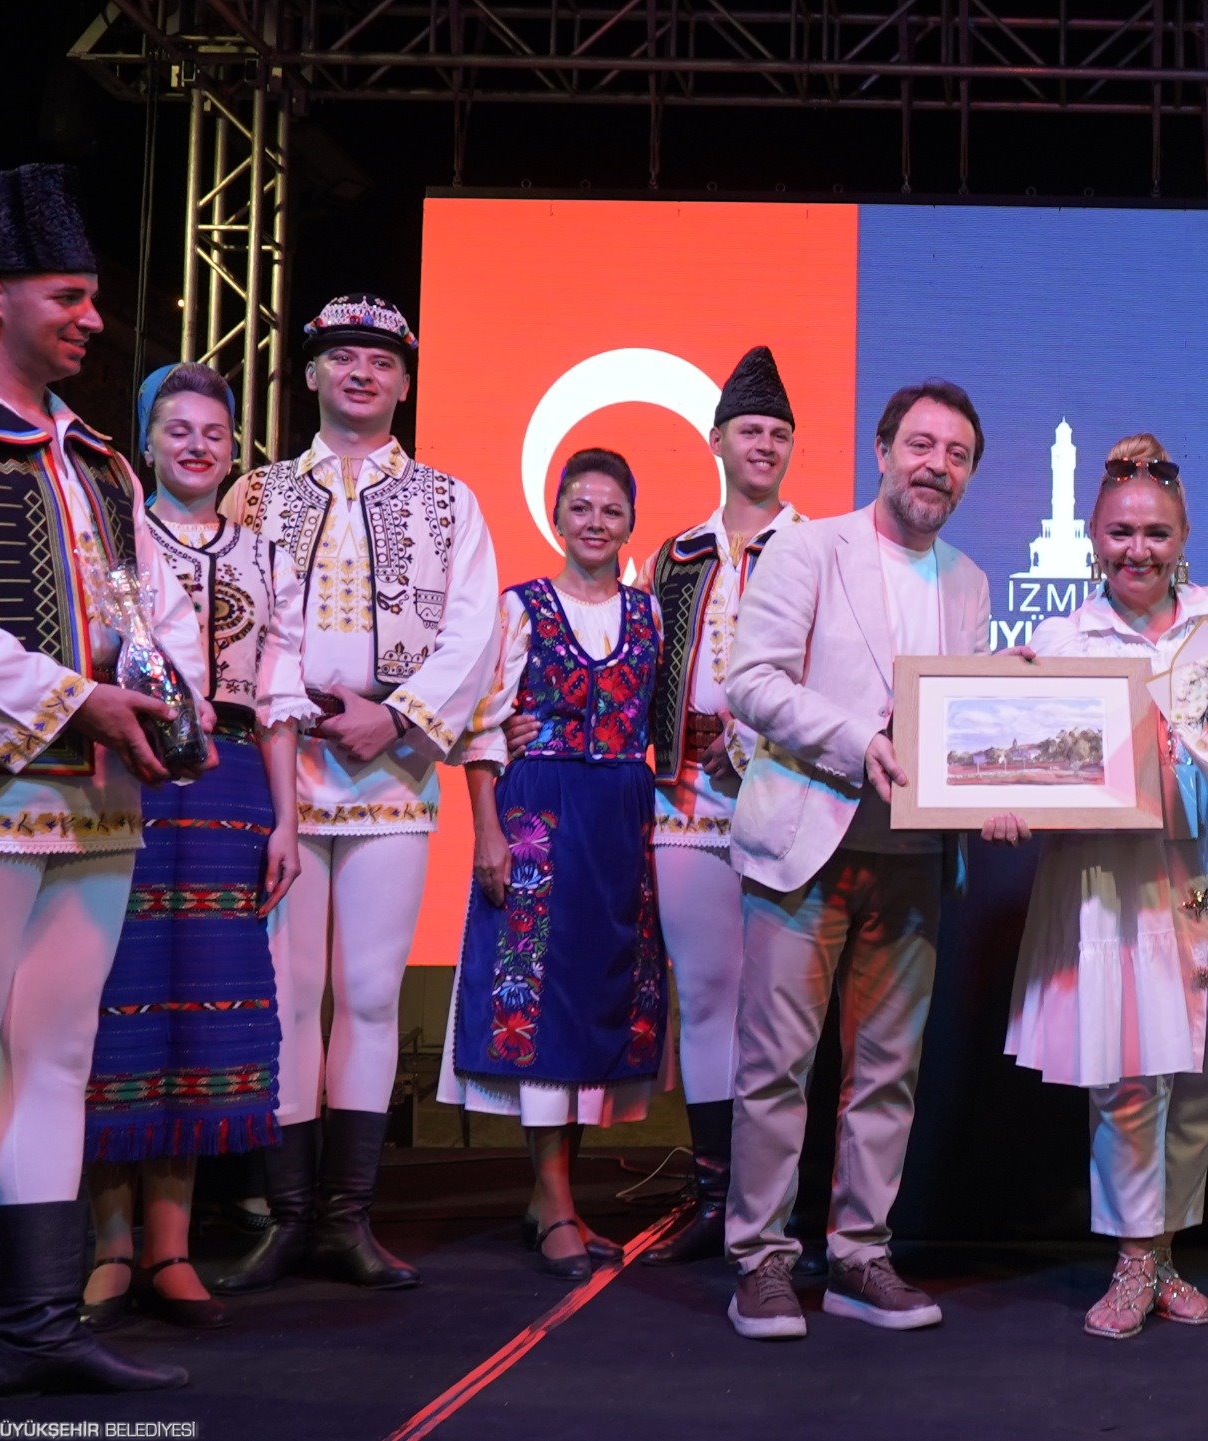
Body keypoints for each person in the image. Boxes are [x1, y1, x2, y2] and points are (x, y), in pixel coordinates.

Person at [0, 163, 201, 1425]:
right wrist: (76, 697)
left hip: (96, 797)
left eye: (89, 295)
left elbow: (151, 607)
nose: (93, 316)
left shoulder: (102, 463)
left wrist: (171, 699)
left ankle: (34, 1328)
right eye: (68, 296)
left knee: (58, 1055)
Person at [218, 293, 501, 1294]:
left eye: (380, 361)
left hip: (391, 772)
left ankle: (348, 1218)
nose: (362, 372)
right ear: (309, 373)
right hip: (283, 769)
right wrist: (279, 713)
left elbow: (474, 630)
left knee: (373, 995)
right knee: (290, 992)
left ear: (406, 381)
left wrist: (399, 716)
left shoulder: (448, 499)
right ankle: (289, 1216)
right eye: (342, 356)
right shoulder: (255, 493)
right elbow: (228, 617)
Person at [1002, 433, 1208, 1339]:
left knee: (1204, 1073)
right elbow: (1024, 755)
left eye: (1156, 533)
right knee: (1129, 1074)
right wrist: (1004, 790)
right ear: (1095, 537)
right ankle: (1134, 1259)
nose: (1139, 550)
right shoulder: (1061, 639)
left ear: (1184, 536)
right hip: (1116, 885)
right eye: (1121, 532)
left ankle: (1162, 1253)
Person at [721, 380, 994, 1341]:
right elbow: (749, 681)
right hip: (807, 844)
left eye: (957, 454)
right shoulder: (808, 547)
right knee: (775, 1067)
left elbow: (961, 719)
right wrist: (856, 740)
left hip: (913, 854)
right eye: (921, 444)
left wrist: (999, 774)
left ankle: (858, 1255)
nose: (936, 465)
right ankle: (760, 1260)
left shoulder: (969, 580)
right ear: (882, 451)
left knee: (886, 1072)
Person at [79, 364, 308, 1334]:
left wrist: (286, 818)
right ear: (147, 442)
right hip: (128, 773)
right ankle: (109, 1245)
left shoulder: (266, 556)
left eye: (214, 431)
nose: (198, 446)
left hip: (230, 786)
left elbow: (281, 696)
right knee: (118, 1004)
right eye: (177, 430)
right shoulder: (110, 541)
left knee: (200, 1013)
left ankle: (170, 1248)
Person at [443, 449, 668, 1281]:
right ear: (557, 516)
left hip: (619, 822)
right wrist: (487, 833)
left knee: (595, 1005)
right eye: (581, 506)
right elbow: (482, 729)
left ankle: (554, 1200)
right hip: (538, 815)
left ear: (631, 522)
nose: (596, 522)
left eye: (612, 509)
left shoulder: (649, 614)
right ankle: (555, 1199)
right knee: (537, 1006)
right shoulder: (521, 607)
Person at [636, 345, 807, 1267]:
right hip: (688, 797)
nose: (765, 445)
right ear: (716, 441)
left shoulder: (818, 547)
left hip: (789, 797)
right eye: (750, 430)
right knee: (704, 995)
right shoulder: (676, 554)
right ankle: (714, 1196)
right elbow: (642, 667)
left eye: (779, 433)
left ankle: (777, 1201)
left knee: (781, 1007)